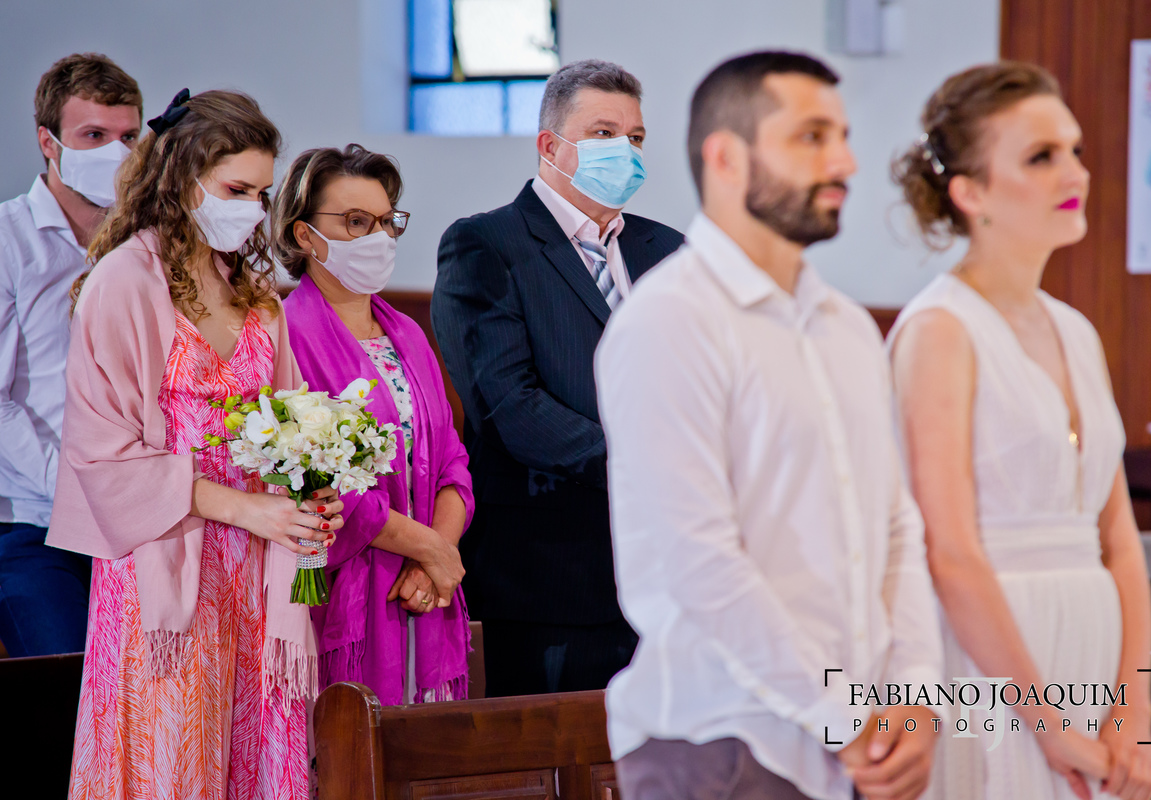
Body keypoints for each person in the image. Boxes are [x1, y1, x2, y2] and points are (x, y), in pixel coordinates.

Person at [596, 51, 942, 800]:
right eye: (812, 137)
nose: (845, 161)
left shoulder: (848, 327)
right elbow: (701, 562)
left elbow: (895, 527)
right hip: (722, 743)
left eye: (842, 136)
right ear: (726, 158)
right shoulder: (670, 321)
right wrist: (845, 716)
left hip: (859, 743)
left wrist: (918, 695)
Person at [47, 89, 340, 800]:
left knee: (256, 759)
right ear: (183, 179)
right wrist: (244, 509)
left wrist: (309, 496)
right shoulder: (123, 282)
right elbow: (101, 456)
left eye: (261, 194)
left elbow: (290, 430)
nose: (252, 209)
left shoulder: (255, 296)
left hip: (255, 571)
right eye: (236, 190)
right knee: (174, 758)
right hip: (165, 565)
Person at [888, 62, 1151, 800]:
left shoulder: (1077, 331)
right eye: (1041, 157)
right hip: (992, 671)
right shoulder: (939, 331)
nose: (1075, 173)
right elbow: (950, 553)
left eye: (1074, 150)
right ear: (970, 192)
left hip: (1094, 655)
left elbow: (1119, 539)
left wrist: (1134, 709)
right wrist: (1049, 726)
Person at [432, 59, 685, 696]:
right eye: (604, 134)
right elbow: (507, 405)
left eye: (635, 137)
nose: (625, 150)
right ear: (550, 146)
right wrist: (646, 464)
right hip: (549, 572)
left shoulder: (668, 250)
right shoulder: (486, 244)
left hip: (668, 572)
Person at [275, 144, 474, 705]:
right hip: (344, 587)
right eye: (356, 222)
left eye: (387, 222)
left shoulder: (407, 333)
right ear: (305, 235)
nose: (379, 237)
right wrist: (431, 550)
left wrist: (435, 556)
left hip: (422, 587)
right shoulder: (284, 336)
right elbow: (319, 485)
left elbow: (452, 461)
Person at [0, 53, 141, 657]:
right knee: (67, 680)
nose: (116, 153)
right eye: (94, 136)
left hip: (133, 517)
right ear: (48, 143)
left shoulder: (143, 245)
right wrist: (76, 485)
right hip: (33, 521)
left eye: (128, 137)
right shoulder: (9, 239)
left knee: (152, 687)